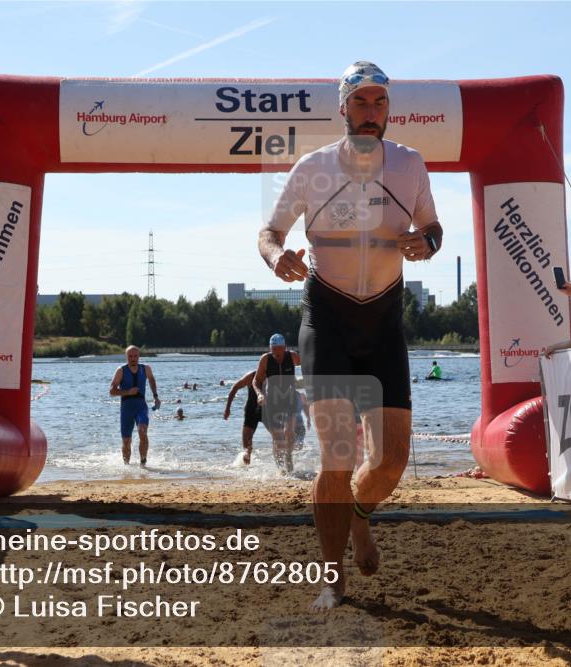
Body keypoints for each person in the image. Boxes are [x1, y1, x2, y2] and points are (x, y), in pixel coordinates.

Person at [258, 61, 443, 610]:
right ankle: (330, 579)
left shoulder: (410, 165)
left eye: (379, 103)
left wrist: (427, 244)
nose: (370, 113)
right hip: (329, 318)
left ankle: (361, 515)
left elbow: (433, 226)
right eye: (360, 103)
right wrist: (276, 258)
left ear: (389, 109)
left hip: (384, 319)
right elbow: (270, 232)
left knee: (391, 461)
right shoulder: (313, 169)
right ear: (342, 108)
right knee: (337, 455)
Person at [251, 333, 302, 474]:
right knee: (277, 438)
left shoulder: (292, 356)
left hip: (290, 398)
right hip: (272, 401)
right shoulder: (265, 360)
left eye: (279, 348)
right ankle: (280, 468)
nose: (277, 352)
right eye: (274, 349)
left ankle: (289, 457)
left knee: (289, 432)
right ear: (270, 348)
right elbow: (256, 381)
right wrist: (259, 394)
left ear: (285, 347)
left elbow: (309, 362)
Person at [108, 345, 160, 466]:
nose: (133, 358)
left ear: (138, 356)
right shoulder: (121, 370)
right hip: (126, 408)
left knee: (142, 431)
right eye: (130, 356)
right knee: (126, 441)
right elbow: (112, 391)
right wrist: (127, 392)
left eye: (135, 356)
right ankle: (127, 466)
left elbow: (152, 380)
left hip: (141, 406)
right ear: (126, 357)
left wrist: (155, 396)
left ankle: (143, 463)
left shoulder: (146, 368)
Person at [224, 370, 264, 464]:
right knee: (247, 444)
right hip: (252, 410)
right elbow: (235, 387)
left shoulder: (274, 374)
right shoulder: (252, 375)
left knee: (278, 437)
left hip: (267, 410)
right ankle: (247, 458)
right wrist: (227, 408)